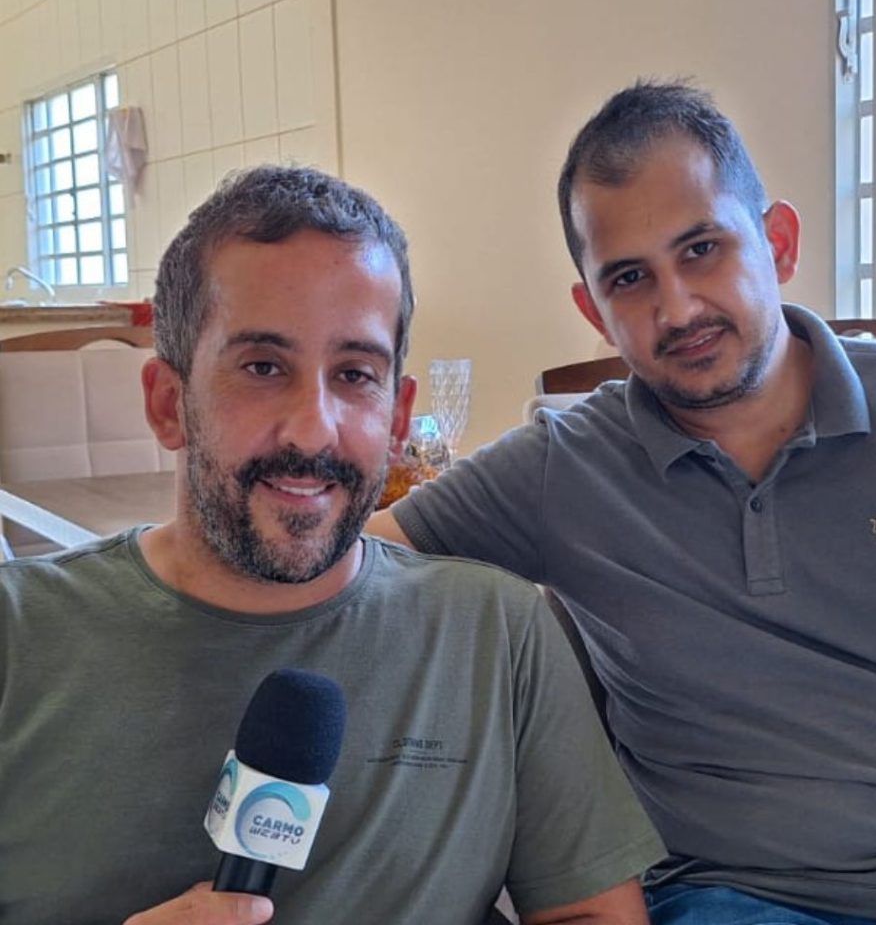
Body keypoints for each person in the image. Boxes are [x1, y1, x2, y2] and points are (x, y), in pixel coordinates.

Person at [369, 82, 876, 925]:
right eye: (629, 277)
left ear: (777, 242)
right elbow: (345, 570)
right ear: (593, 309)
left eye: (702, 249)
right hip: (723, 898)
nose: (675, 308)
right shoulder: (563, 466)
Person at [0, 166, 665, 925]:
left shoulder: (497, 634)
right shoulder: (20, 636)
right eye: (262, 367)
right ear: (167, 402)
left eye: (354, 374)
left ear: (397, 416)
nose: (314, 429)